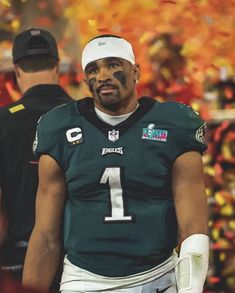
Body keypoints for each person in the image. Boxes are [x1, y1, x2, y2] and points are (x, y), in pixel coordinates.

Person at [22, 34, 209, 293]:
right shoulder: (60, 127)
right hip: (83, 279)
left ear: (135, 72)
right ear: (85, 79)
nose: (102, 75)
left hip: (158, 277)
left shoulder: (173, 124)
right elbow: (45, 235)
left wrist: (190, 290)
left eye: (113, 64)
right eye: (93, 69)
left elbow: (193, 229)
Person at [0, 28, 72, 281]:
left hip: (19, 261)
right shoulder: (89, 117)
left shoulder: (3, 122)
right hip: (83, 264)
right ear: (57, 68)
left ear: (17, 71)